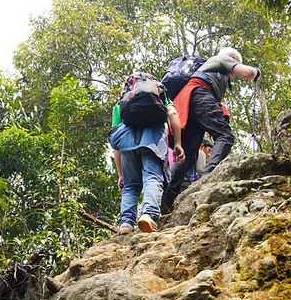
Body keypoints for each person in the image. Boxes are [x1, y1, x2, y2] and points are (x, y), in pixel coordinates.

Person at [162, 47, 261, 210]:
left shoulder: (211, 70)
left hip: (188, 101)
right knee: (225, 136)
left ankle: (167, 197)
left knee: (188, 152)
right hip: (200, 94)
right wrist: (256, 71)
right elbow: (247, 73)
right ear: (232, 58)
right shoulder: (223, 59)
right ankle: (208, 176)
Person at [111, 78, 185, 234]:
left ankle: (126, 222)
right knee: (153, 177)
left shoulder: (121, 103)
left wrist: (120, 174)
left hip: (126, 144)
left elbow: (115, 140)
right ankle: (148, 215)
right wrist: (177, 143)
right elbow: (172, 113)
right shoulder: (160, 95)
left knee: (130, 185)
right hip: (153, 141)